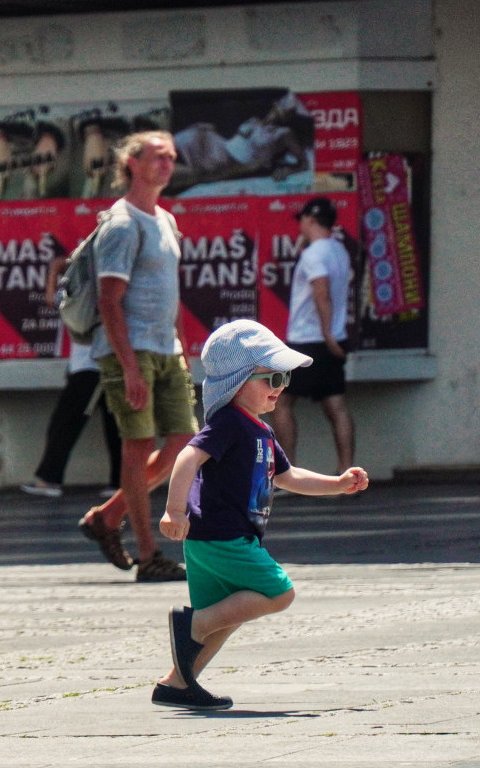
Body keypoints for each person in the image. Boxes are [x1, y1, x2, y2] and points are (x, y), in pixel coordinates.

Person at [156, 319, 369, 710]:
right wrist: (174, 510)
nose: (281, 387)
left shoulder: (261, 431)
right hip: (221, 536)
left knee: (227, 615)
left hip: (220, 539)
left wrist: (336, 483)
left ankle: (178, 682)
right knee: (278, 592)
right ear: (236, 381)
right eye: (271, 379)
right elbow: (188, 457)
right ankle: (193, 626)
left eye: (284, 377)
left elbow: (289, 476)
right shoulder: (229, 423)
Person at [76, 130, 196, 583]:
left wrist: (183, 344)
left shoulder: (164, 220)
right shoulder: (122, 223)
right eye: (157, 158)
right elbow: (109, 301)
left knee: (184, 441)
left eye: (171, 158)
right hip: (131, 351)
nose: (166, 165)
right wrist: (128, 367)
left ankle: (106, 518)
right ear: (132, 164)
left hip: (167, 350)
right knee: (138, 447)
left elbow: (171, 295)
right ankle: (149, 555)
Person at [21, 253, 121, 498]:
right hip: (101, 365)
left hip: (91, 369)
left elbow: (52, 301)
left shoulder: (89, 294)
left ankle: (49, 479)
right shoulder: (95, 292)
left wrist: (54, 272)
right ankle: (119, 483)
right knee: (114, 427)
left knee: (65, 424)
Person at [269, 197, 356, 474]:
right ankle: (347, 473)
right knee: (336, 405)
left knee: (280, 402)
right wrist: (333, 337)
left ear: (310, 220)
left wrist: (327, 334)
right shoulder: (340, 251)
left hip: (309, 340)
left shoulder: (313, 254)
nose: (300, 226)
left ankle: (289, 474)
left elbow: (322, 293)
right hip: (333, 340)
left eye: (302, 220)